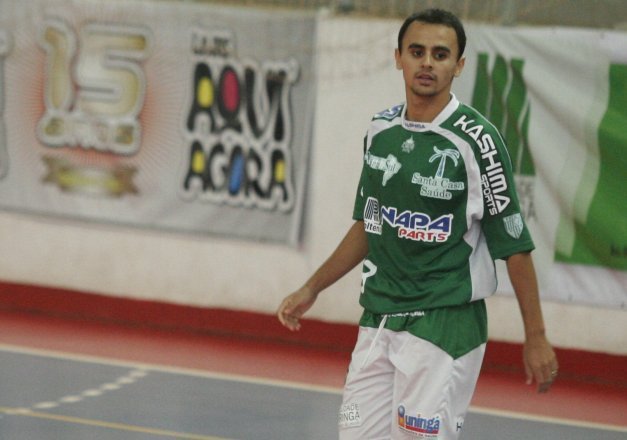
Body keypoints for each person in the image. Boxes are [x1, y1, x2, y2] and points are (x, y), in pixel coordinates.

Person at [277, 8, 558, 439]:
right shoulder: (380, 130)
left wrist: (535, 335)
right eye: (417, 51)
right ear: (398, 58)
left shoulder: (478, 141)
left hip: (443, 325)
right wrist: (311, 287)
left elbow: (515, 246)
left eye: (440, 54)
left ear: (458, 65)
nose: (427, 62)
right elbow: (369, 225)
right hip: (379, 320)